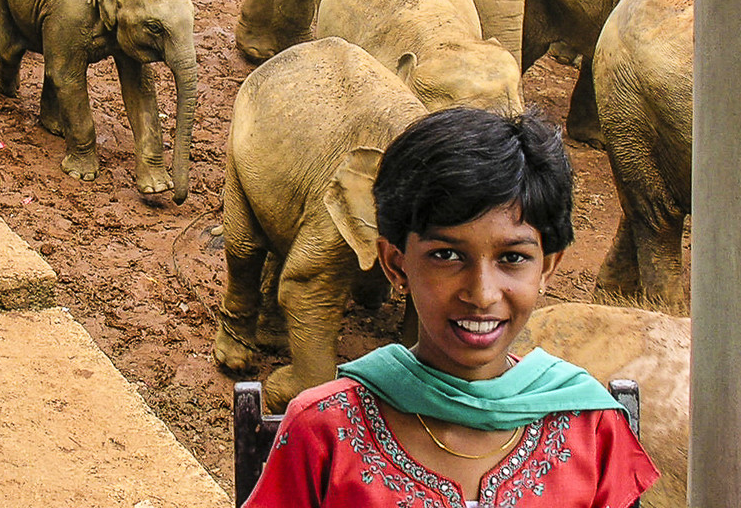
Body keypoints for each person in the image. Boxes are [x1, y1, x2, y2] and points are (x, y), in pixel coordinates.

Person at [242, 108, 660, 508]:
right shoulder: (323, 431)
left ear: (547, 267)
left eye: (512, 258)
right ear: (395, 263)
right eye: (447, 255)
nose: (481, 294)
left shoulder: (592, 430)